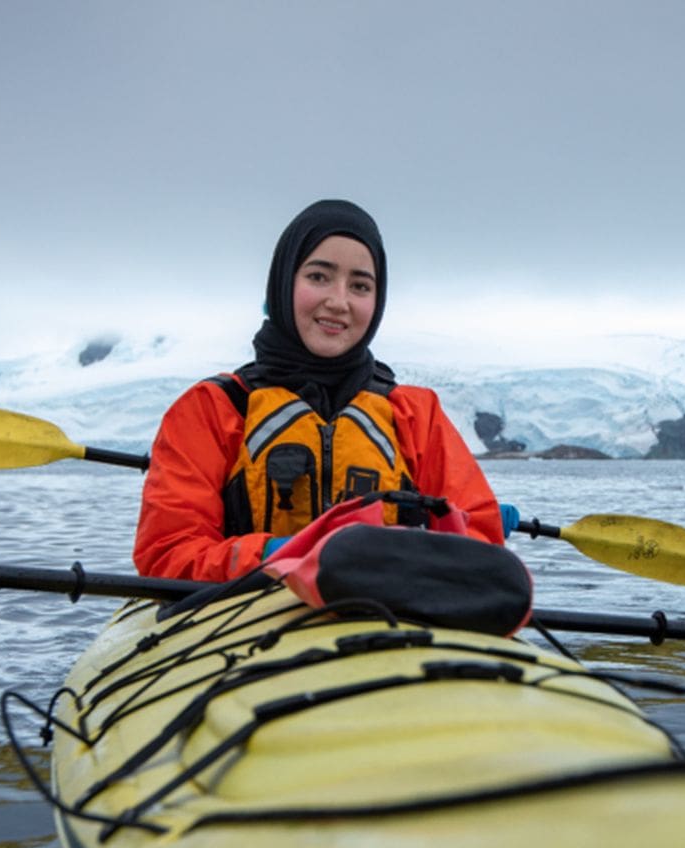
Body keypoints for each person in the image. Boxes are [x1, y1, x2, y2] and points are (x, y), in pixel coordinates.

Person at [133, 199, 507, 581]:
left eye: (360, 285)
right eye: (318, 277)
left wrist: (416, 554)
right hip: (243, 620)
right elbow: (168, 552)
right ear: (284, 283)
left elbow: (481, 538)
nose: (338, 301)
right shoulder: (214, 409)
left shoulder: (414, 415)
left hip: (387, 616)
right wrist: (283, 556)